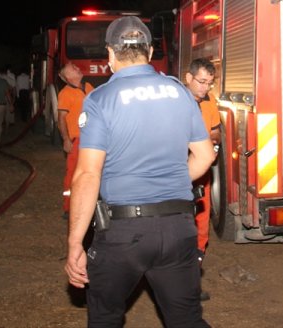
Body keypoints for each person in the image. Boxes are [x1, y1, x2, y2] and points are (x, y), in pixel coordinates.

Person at [65, 16, 215, 327]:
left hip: (123, 233)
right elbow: (205, 157)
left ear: (110, 54)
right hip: (178, 228)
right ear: (149, 52)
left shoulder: (100, 99)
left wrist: (75, 241)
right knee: (186, 319)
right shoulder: (180, 92)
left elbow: (88, 175)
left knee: (105, 317)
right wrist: (171, 181)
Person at [183, 57, 222, 302]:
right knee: (178, 229)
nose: (205, 87)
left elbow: (216, 131)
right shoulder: (176, 102)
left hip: (202, 178)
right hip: (177, 176)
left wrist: (213, 141)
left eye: (209, 83)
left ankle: (191, 284)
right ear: (189, 78)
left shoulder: (209, 101)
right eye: (201, 81)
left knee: (200, 228)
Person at [57, 61, 94, 220]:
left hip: (92, 138)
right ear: (68, 76)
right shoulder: (65, 94)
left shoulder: (88, 87)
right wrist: (66, 139)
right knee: (72, 174)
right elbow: (61, 119)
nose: (78, 68)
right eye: (73, 68)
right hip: (77, 140)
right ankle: (69, 207)